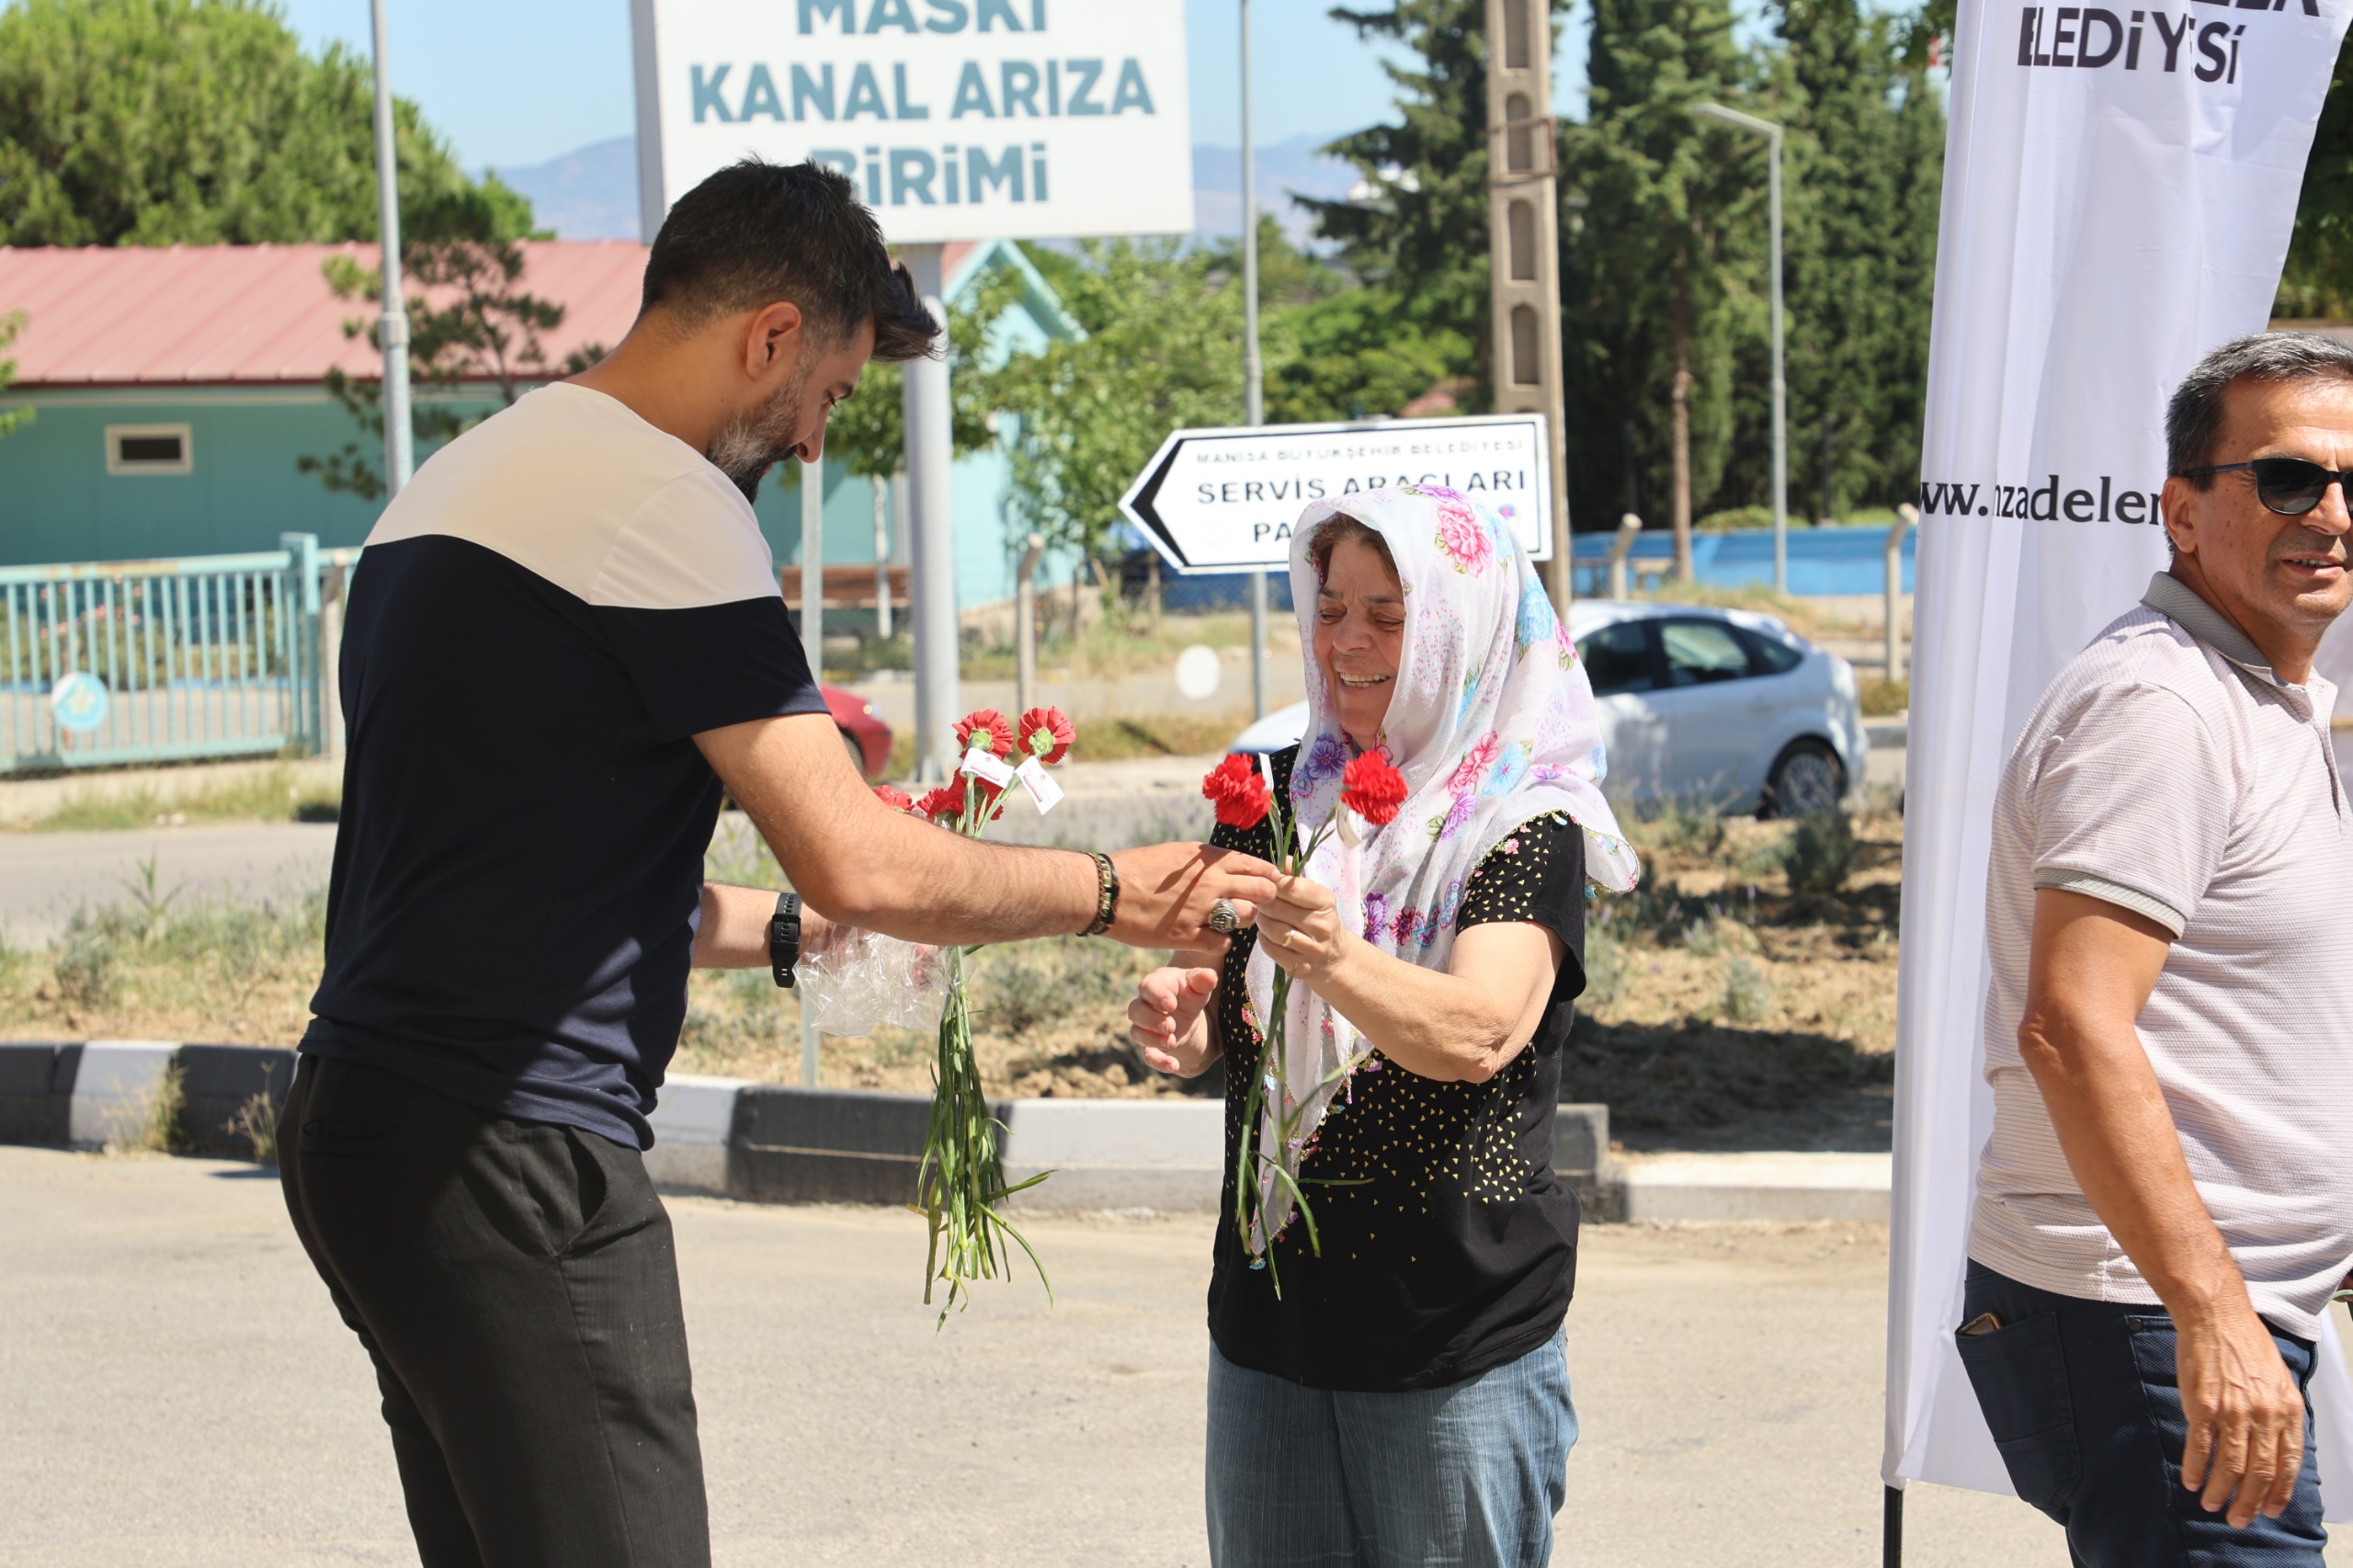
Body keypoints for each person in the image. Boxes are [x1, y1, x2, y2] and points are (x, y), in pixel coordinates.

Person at [278, 158, 1278, 1568]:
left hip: (365, 1127)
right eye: (831, 394)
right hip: (508, 1145)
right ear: (769, 336)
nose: (815, 442)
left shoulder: (462, 482)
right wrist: (1112, 895)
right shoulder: (664, 505)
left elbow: (546, 880)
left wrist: (800, 939)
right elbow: (856, 852)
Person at [1126, 487, 1641, 1568]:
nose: (1349, 641)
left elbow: (1478, 1031)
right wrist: (1191, 1016)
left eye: (1389, 613)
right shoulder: (1275, 791)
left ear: (1458, 631)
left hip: (1449, 1344)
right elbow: (1231, 988)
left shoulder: (1523, 821)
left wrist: (1338, 955)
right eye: (1330, 606)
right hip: (1273, 1329)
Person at [1959, 331, 2353, 1565]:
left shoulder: (2265, 693)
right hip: (2150, 1324)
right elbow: (2072, 1025)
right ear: (2184, 512)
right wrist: (2212, 1314)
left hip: (2201, 1315)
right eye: (2288, 478)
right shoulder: (2164, 704)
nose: (2330, 513)